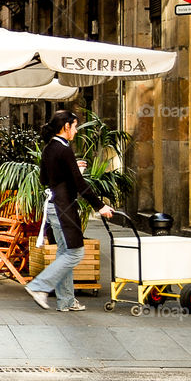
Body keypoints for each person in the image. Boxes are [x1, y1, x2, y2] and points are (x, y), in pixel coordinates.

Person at [25, 110, 114, 312]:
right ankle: (39, 287)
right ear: (66, 126)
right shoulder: (63, 149)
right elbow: (80, 184)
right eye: (74, 126)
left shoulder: (50, 148)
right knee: (75, 253)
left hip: (54, 206)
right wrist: (100, 206)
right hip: (63, 207)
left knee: (64, 253)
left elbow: (45, 180)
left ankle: (65, 301)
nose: (75, 130)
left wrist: (72, 167)